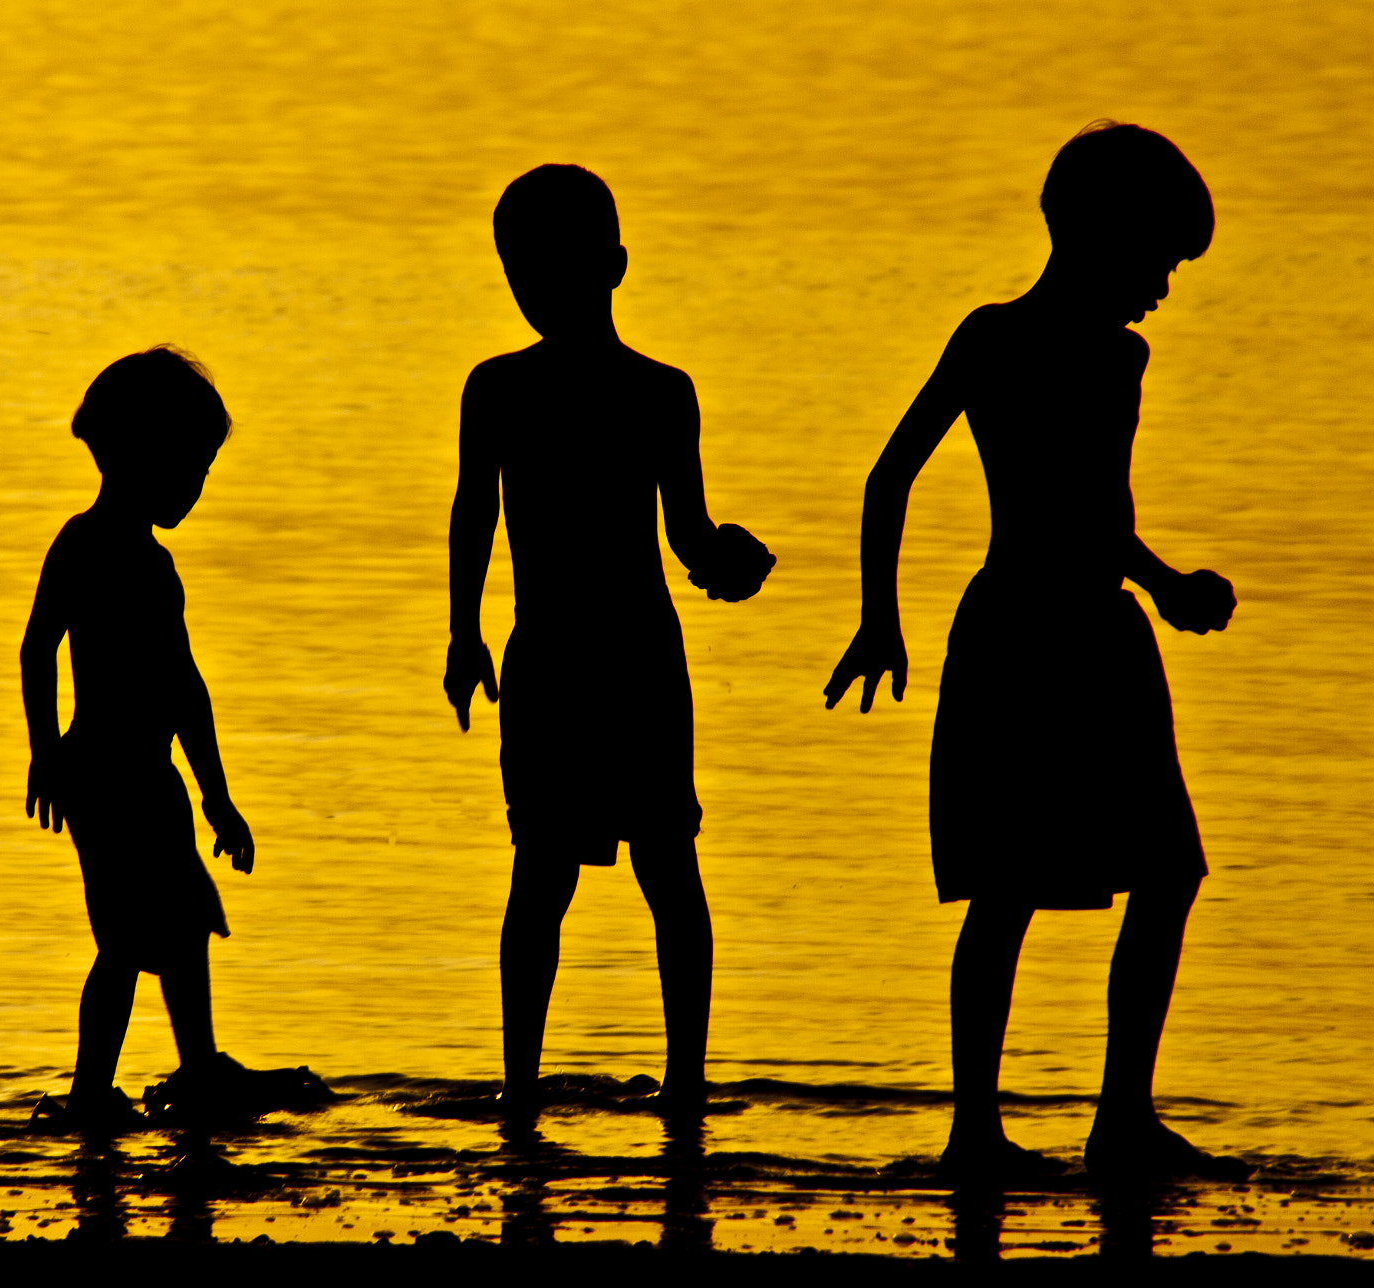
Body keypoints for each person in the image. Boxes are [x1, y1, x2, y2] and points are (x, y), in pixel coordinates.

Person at [824, 123, 1248, 1182]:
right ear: (1096, 235)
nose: (1159, 287)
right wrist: (879, 617)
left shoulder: (1116, 355)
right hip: (1019, 635)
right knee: (1004, 888)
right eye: (1155, 259)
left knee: (1165, 872)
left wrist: (1161, 586)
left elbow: (1095, 509)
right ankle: (975, 1129)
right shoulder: (994, 339)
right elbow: (889, 477)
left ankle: (1118, 1117)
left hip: (1096, 631)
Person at [446, 165, 774, 1114]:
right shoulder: (498, 390)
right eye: (520, 272)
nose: (535, 290)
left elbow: (686, 535)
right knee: (543, 872)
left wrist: (728, 564)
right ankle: (522, 1083)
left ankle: (684, 1078)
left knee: (666, 864)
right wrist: (463, 632)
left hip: (632, 660)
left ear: (616, 266)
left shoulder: (662, 395)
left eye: (551, 269)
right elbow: (476, 513)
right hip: (550, 658)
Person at [21, 346, 272, 1133]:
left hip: (152, 776)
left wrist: (216, 794)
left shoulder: (158, 565)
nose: (195, 488)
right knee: (126, 936)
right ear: (139, 454)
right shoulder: (84, 545)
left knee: (185, 922)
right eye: (188, 467)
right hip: (100, 771)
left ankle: (198, 1065)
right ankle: (91, 1088)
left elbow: (184, 685)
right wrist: (45, 751)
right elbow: (38, 647)